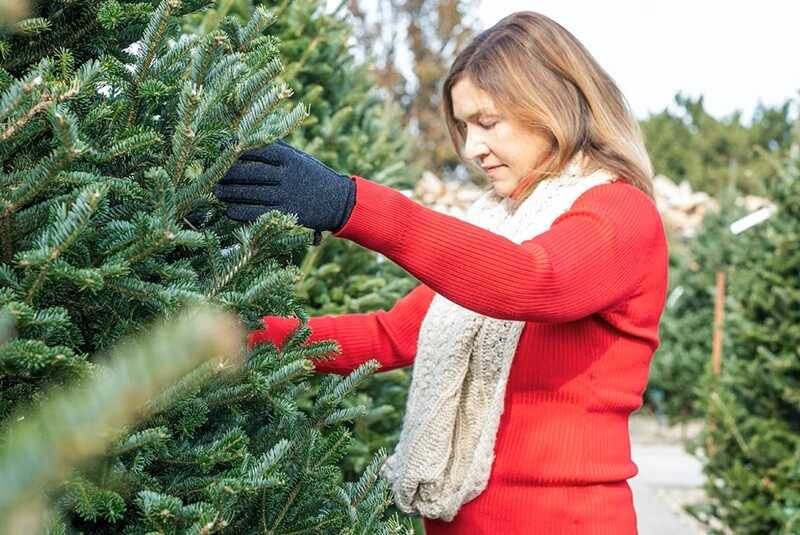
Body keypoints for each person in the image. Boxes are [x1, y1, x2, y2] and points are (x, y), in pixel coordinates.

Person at [213, 10, 668, 535]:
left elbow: (530, 281)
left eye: (488, 122)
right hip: (454, 520)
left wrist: (349, 205)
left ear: (553, 107)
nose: (472, 149)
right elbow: (392, 335)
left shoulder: (620, 214)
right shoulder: (503, 223)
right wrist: (247, 338)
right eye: (464, 127)